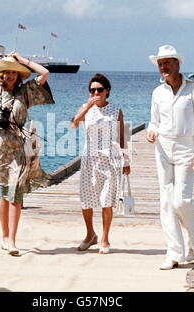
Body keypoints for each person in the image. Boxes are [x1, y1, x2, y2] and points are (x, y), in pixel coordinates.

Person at [0, 52, 54, 255]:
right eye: (8, 72)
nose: (11, 75)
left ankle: (12, 240)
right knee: (5, 193)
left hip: (20, 148)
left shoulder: (25, 93)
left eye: (15, 72)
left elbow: (45, 72)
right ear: (1, 74)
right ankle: (4, 237)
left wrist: (23, 61)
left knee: (15, 193)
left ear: (19, 75)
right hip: (0, 149)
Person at [147, 45, 194, 269]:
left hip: (186, 148)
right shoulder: (157, 93)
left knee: (181, 199)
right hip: (163, 148)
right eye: (160, 64)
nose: (163, 67)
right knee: (166, 202)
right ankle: (174, 253)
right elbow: (154, 120)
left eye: (167, 63)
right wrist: (151, 131)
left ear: (177, 64)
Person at [70, 73, 130, 254]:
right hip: (90, 160)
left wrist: (126, 160)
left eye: (99, 90)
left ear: (107, 90)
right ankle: (90, 235)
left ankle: (104, 237)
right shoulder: (86, 108)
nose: (96, 93)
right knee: (86, 199)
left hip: (110, 160)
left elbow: (122, 137)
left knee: (106, 200)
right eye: (92, 90)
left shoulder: (116, 109)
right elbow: (73, 124)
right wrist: (87, 106)